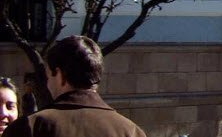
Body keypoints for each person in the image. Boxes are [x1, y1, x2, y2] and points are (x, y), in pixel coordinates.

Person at [4, 35, 146, 137]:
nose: (48, 83)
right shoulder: (131, 131)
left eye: (48, 76)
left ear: (60, 75)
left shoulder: (31, 127)